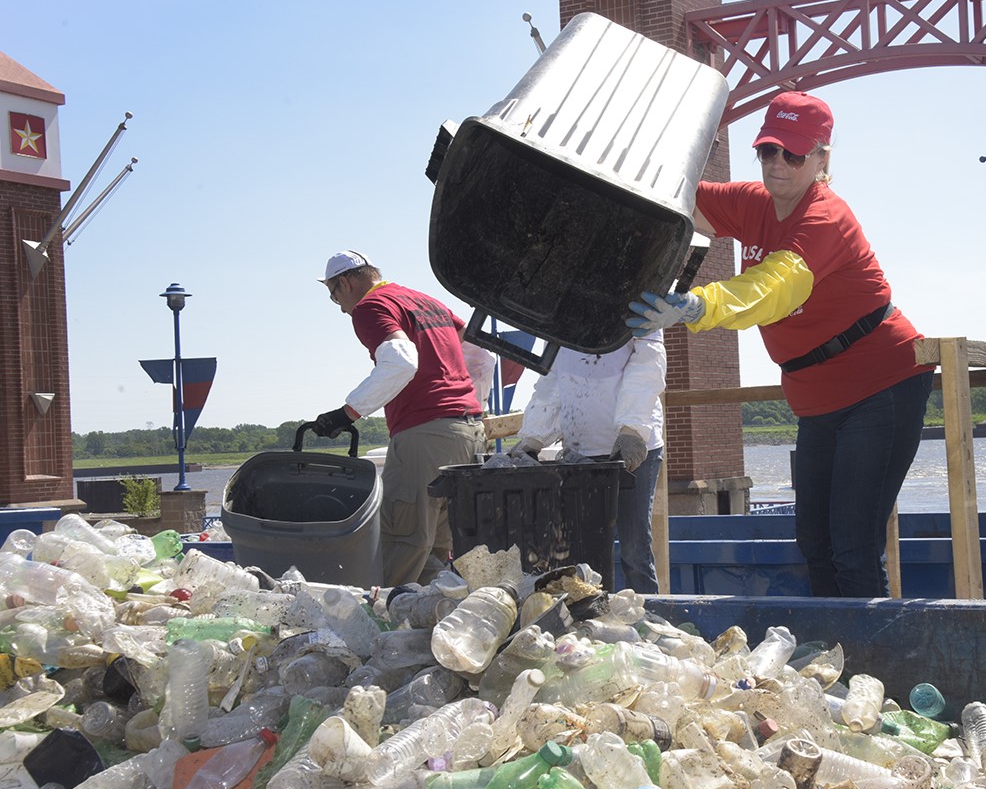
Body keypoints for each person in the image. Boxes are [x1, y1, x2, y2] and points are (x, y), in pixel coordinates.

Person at [628, 91, 934, 598]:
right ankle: (834, 666)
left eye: (793, 154)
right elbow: (676, 197)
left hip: (881, 383)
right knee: (813, 541)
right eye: (769, 151)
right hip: (817, 396)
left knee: (853, 548)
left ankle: (873, 668)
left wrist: (698, 306)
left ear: (822, 158)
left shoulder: (826, 218)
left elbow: (774, 287)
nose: (778, 165)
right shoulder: (752, 203)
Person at [313, 250, 492, 588]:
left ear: (346, 282)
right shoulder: (426, 301)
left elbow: (401, 362)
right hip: (469, 433)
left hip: (424, 438)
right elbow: (482, 358)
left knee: (400, 543)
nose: (339, 306)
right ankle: (439, 625)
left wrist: (348, 412)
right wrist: (469, 404)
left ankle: (379, 630)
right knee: (435, 553)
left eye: (334, 294)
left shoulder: (370, 307)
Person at [508, 332, 667, 593]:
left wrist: (632, 428)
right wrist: (533, 438)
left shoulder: (636, 304)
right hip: (581, 450)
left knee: (634, 547)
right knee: (581, 548)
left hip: (633, 447)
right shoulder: (562, 315)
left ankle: (647, 616)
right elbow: (553, 378)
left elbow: (649, 362)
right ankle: (589, 615)